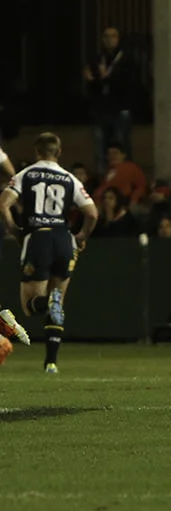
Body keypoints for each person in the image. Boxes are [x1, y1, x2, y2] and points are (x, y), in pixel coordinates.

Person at [0, 132, 98, 372]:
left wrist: (12, 227)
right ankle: (51, 362)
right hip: (64, 238)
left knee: (28, 305)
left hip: (39, 237)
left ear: (37, 152)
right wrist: (82, 236)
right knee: (58, 301)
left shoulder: (27, 174)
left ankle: (46, 301)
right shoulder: (70, 178)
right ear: (59, 152)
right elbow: (92, 213)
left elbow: (4, 203)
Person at [84, 26, 134, 174]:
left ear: (118, 39)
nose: (109, 39)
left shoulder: (126, 59)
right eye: (106, 36)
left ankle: (124, 179)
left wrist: (107, 78)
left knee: (121, 148)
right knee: (100, 150)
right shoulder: (98, 58)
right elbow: (93, 83)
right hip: (101, 110)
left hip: (120, 109)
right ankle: (103, 182)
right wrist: (92, 80)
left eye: (113, 36)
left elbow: (129, 84)